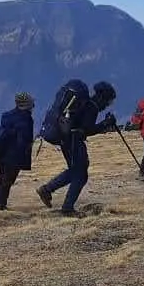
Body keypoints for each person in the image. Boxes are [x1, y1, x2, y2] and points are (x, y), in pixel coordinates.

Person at [35, 81, 118, 217]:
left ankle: (47, 190)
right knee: (80, 175)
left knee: (76, 171)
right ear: (103, 98)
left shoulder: (86, 104)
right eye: (108, 101)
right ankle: (66, 207)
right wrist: (105, 123)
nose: (107, 105)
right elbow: (88, 130)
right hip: (73, 141)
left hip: (68, 140)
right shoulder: (92, 107)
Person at [0, 91, 36, 210]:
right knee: (8, 179)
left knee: (3, 175)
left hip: (2, 151)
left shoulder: (7, 115)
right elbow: (25, 138)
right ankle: (1, 204)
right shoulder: (26, 118)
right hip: (15, 153)